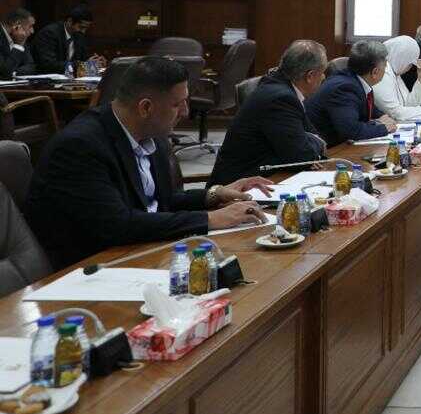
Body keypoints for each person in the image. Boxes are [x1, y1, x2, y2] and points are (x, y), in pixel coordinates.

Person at [24, 56, 270, 269]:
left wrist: (213, 196)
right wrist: (211, 219)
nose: (186, 112)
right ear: (145, 108)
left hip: (140, 250)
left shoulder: (151, 135)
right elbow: (118, 225)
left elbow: (160, 202)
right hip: (89, 267)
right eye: (177, 104)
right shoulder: (80, 147)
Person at [209, 40, 329, 186]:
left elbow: (313, 137)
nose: (324, 77)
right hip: (237, 187)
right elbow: (303, 157)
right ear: (310, 76)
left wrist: (309, 144)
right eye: (322, 72)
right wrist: (313, 146)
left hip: (264, 177)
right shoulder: (281, 98)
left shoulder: (280, 86)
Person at [306, 39, 397, 145]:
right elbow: (352, 131)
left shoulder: (357, 81)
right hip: (326, 149)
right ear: (375, 72)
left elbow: (371, 110)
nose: (385, 71)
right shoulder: (343, 89)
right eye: (385, 67)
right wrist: (384, 128)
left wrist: (383, 117)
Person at [30, 4, 106, 75]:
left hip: (70, 80)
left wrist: (96, 61)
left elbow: (83, 59)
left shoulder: (79, 36)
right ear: (70, 21)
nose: (83, 31)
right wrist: (83, 65)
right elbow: (49, 65)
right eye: (81, 27)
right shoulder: (50, 34)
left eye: (86, 28)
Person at [376, 35, 421, 122]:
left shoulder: (395, 73)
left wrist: (420, 79)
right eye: (410, 64)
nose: (410, 67)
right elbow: (397, 113)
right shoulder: (383, 74)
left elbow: (409, 105)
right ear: (401, 59)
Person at [0, 9, 36, 79]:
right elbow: (5, 73)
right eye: (30, 26)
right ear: (17, 25)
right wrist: (18, 45)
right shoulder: (19, 39)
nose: (32, 31)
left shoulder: (19, 37)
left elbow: (31, 66)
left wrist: (14, 72)